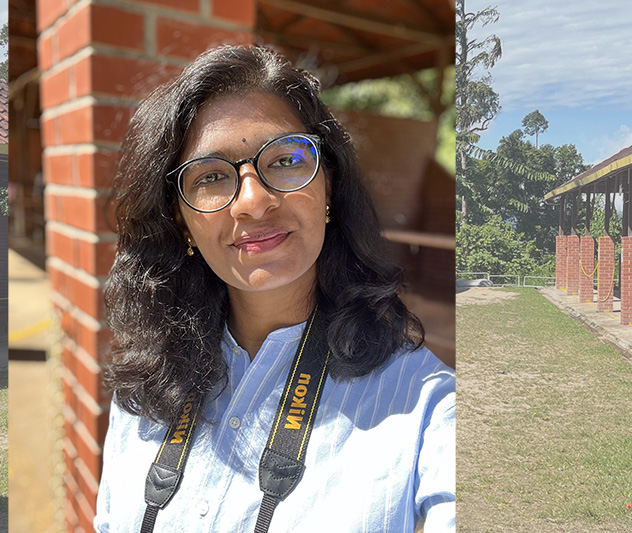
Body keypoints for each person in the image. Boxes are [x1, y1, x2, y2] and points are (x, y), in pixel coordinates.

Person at [94, 44, 454, 532]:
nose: (253, 201)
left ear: (329, 184)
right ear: (180, 220)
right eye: (212, 176)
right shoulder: (145, 389)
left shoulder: (429, 409)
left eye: (285, 160)